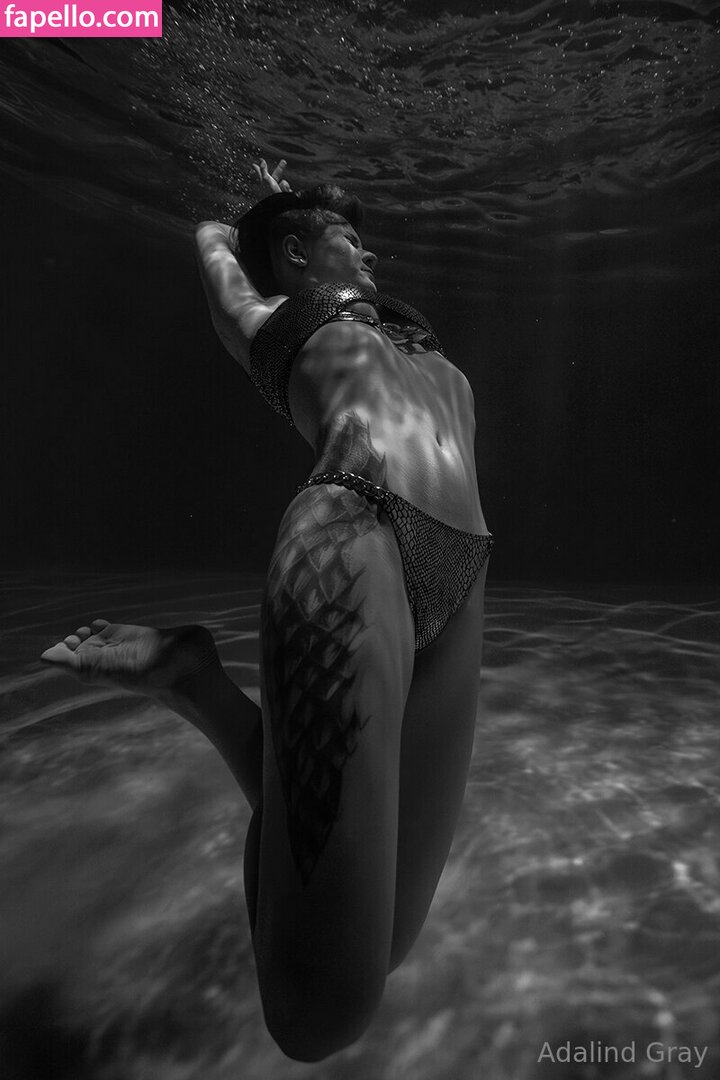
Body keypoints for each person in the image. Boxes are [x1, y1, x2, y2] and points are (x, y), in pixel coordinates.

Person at [41, 159, 493, 1062]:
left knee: (389, 940)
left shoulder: (401, 333)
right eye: (347, 237)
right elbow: (214, 248)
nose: (369, 251)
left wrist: (298, 213)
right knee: (318, 1013)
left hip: (466, 567)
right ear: (291, 254)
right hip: (354, 533)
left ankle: (196, 682)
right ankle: (195, 685)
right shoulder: (272, 321)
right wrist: (252, 208)